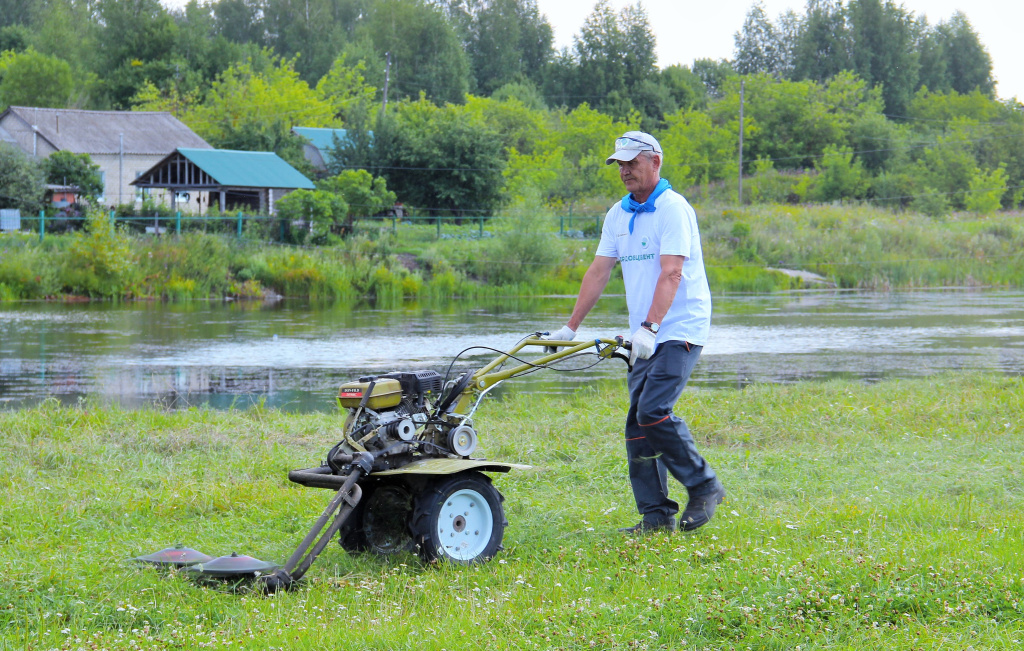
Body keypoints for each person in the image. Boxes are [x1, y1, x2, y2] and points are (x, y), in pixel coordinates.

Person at [545, 131, 725, 534]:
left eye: (632, 162)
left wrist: (650, 327)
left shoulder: (673, 209)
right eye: (619, 164)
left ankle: (704, 485)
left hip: (680, 326)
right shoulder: (617, 214)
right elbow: (599, 271)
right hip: (644, 332)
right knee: (637, 424)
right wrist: (570, 327)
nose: (624, 170)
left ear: (655, 162)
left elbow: (673, 271)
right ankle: (655, 516)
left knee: (653, 411)